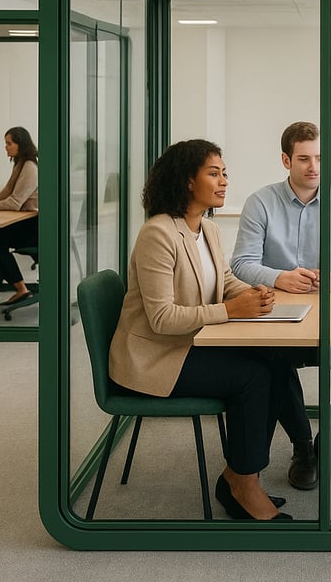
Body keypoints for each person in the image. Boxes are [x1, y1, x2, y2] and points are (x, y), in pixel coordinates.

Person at [107, 139, 291, 521]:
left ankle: (240, 474)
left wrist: (258, 293)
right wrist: (231, 309)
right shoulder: (157, 234)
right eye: (214, 173)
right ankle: (243, 484)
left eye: (225, 173)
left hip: (190, 344)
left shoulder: (207, 229)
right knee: (253, 377)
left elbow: (224, 282)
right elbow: (161, 318)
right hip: (156, 358)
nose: (224, 181)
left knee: (277, 359)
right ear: (187, 181)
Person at [231, 121, 331, 490]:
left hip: (330, 314)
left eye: (319, 158)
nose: (313, 166)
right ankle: (302, 447)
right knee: (270, 357)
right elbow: (241, 262)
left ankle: (330, 441)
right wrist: (279, 277)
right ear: (286, 160)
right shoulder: (260, 202)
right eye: (303, 159)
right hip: (280, 316)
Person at [0, 127, 39, 306]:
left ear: (20, 144)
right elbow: (6, 193)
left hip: (35, 228)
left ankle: (20, 288)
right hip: (27, 223)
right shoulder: (20, 164)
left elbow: (14, 203)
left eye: (9, 143)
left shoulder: (30, 167)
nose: (6, 147)